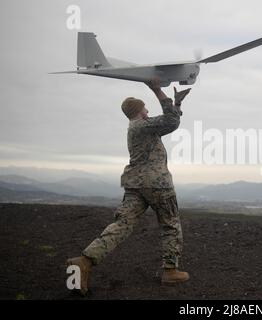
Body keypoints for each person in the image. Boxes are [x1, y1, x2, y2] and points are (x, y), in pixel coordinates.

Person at [66, 78, 191, 296]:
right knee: (170, 223)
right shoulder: (143, 125)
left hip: (136, 185)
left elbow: (170, 120)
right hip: (157, 184)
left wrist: (177, 105)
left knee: (122, 224)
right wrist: (157, 90)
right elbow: (170, 122)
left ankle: (84, 262)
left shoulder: (140, 127)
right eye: (145, 108)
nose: (147, 110)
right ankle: (170, 271)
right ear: (140, 111)